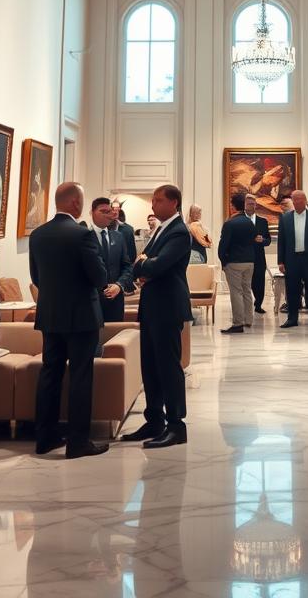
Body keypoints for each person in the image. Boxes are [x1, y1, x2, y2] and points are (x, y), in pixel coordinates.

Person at [29, 182, 109, 459]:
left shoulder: (37, 235)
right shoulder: (82, 235)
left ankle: (45, 437)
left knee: (49, 373)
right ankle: (78, 442)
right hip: (82, 317)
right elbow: (99, 278)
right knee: (80, 376)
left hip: (50, 315)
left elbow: (36, 278)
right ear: (76, 203)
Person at [121, 183, 191, 449]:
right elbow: (143, 262)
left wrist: (142, 263)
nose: (153, 205)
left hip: (167, 306)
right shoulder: (162, 228)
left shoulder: (179, 231)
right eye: (153, 200)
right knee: (150, 365)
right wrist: (143, 263)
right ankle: (154, 420)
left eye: (158, 200)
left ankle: (176, 425)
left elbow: (156, 264)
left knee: (168, 367)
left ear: (174, 203)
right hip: (152, 306)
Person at [276, 190, 308, 330]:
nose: (297, 202)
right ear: (292, 202)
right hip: (291, 260)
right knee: (292, 290)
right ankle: (292, 319)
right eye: (295, 200)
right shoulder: (285, 218)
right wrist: (280, 261)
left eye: (300, 199)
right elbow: (281, 242)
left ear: (305, 201)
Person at [89, 195, 134, 323]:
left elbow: (127, 266)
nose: (107, 215)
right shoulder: (84, 237)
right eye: (103, 211)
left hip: (115, 300)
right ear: (92, 212)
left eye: (109, 211)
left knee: (114, 339)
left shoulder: (118, 237)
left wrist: (119, 285)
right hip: (92, 301)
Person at [217, 193, 257, 334]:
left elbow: (223, 245)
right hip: (249, 261)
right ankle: (248, 320)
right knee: (247, 290)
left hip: (234, 262)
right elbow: (253, 241)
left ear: (233, 206)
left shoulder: (230, 223)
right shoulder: (250, 222)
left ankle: (238, 323)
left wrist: (223, 261)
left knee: (236, 292)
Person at [245, 194, 271, 314]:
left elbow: (268, 240)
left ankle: (258, 304)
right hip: (244, 257)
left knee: (260, 282)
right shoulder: (240, 220)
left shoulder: (263, 221)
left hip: (259, 258)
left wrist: (263, 241)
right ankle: (246, 305)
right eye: (249, 203)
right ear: (244, 205)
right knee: (245, 283)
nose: (252, 205)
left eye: (253, 203)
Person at [110, 199, 137, 263]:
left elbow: (132, 254)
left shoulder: (128, 229)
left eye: (117, 209)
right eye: (113, 209)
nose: (115, 211)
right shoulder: (102, 227)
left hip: (124, 267)